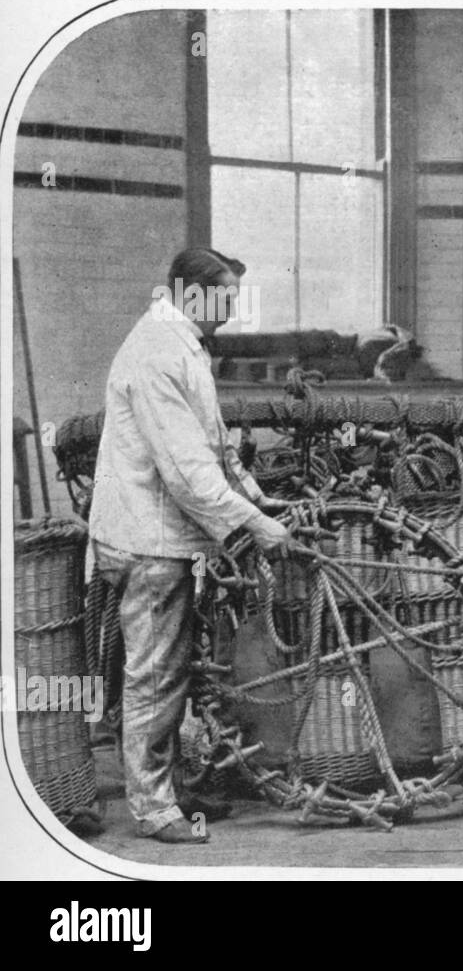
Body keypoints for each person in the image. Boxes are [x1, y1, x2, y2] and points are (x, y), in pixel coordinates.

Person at [89, 247, 294, 845]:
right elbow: (186, 472)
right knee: (153, 677)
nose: (231, 312)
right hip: (143, 539)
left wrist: (258, 501)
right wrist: (253, 525)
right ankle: (154, 809)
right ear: (191, 291)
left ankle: (172, 788)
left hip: (161, 537)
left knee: (170, 672)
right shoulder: (157, 351)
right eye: (226, 298)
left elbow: (215, 446)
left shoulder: (182, 346)